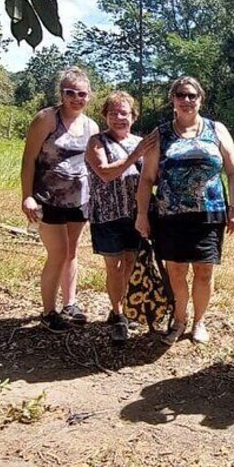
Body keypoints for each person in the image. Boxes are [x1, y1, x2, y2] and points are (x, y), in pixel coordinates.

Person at [135, 76, 234, 346]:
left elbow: (233, 171)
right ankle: (180, 319)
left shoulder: (216, 130)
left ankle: (199, 322)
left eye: (192, 95)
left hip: (210, 213)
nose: (186, 100)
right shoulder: (160, 134)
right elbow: (147, 178)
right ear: (173, 99)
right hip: (171, 215)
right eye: (181, 95)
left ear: (200, 99)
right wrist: (141, 214)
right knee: (176, 271)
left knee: (205, 271)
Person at [20, 66, 99, 333]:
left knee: (72, 251)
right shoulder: (46, 119)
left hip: (79, 200)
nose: (76, 98)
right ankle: (48, 311)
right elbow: (28, 159)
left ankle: (70, 303)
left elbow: (93, 164)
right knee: (58, 253)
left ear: (89, 96)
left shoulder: (91, 126)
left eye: (82, 93)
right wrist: (27, 196)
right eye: (70, 92)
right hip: (48, 197)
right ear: (61, 93)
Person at [85, 91, 157, 342]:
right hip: (107, 215)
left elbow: (152, 177)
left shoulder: (140, 142)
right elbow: (105, 173)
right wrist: (136, 155)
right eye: (113, 112)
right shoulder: (97, 142)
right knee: (114, 268)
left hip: (136, 215)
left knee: (129, 264)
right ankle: (118, 316)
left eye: (123, 113)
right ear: (105, 115)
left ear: (133, 116)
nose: (118, 118)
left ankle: (123, 307)